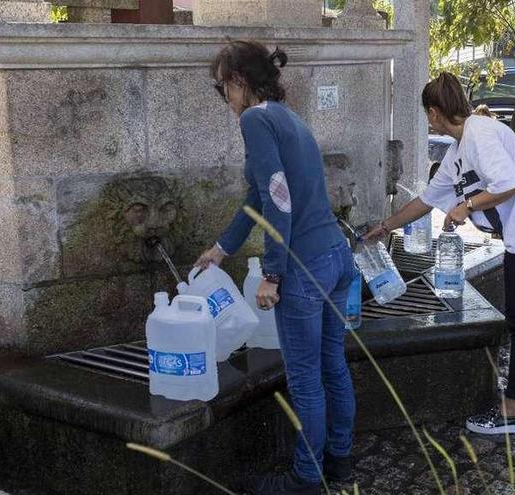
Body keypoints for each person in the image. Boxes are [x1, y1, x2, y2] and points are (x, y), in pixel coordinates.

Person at [364, 72, 515, 435]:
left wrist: (464, 207)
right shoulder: (458, 151)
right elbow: (426, 201)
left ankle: (513, 410)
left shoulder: (481, 132)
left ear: (435, 112)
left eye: (429, 114)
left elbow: (509, 183)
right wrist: (387, 226)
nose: (429, 119)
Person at [196, 41, 356, 494]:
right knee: (333, 367)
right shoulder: (288, 118)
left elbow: (277, 199)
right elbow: (258, 196)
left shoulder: (254, 119)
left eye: (223, 86)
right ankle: (340, 463)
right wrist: (221, 248)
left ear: (240, 82)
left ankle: (306, 479)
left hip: (302, 268)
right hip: (334, 257)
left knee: (306, 378)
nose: (224, 97)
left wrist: (272, 273)